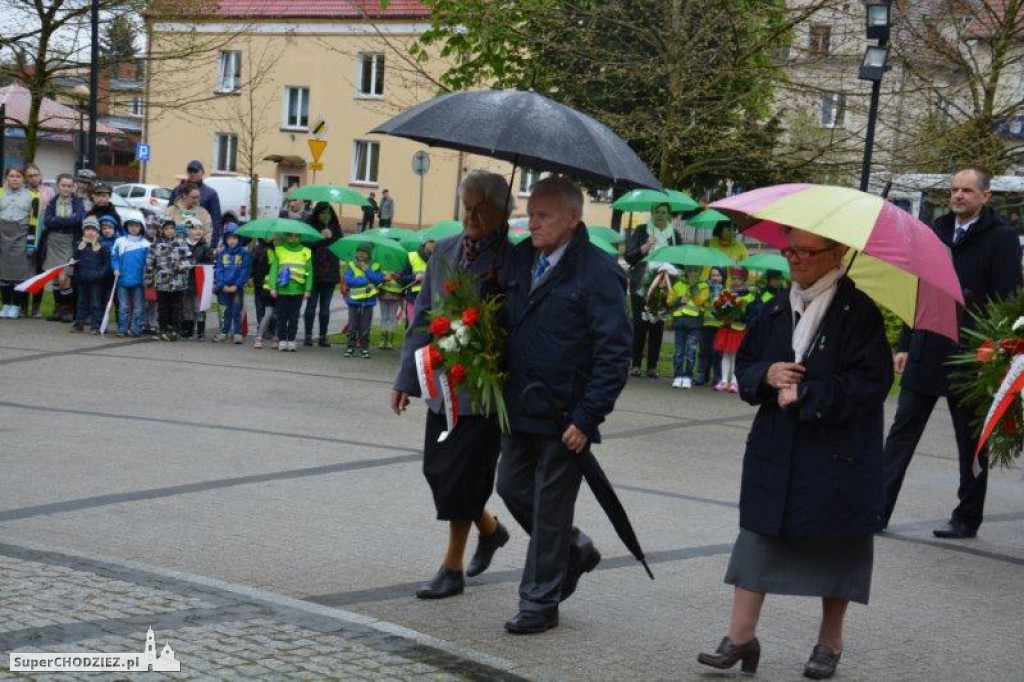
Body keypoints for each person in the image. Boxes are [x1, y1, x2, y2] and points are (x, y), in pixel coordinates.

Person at [698, 227, 893, 679]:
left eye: (807, 251)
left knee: (838, 548)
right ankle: (740, 638)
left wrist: (808, 393)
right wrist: (767, 375)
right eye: (790, 250)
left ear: (838, 251)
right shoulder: (770, 308)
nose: (795, 259)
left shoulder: (858, 312)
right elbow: (745, 367)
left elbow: (872, 383)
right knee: (757, 540)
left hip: (836, 455)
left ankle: (829, 643)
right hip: (776, 449)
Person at [497, 176, 632, 634]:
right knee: (511, 487)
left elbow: (615, 352)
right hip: (519, 405)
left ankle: (539, 602)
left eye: (543, 216)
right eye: (530, 213)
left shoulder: (597, 271)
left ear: (574, 219)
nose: (531, 223)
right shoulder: (520, 258)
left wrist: (587, 416)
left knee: (551, 508)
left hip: (564, 415)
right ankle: (572, 550)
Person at [390, 169, 516, 601]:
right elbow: (423, 316)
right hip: (443, 385)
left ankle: (452, 567)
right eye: (468, 206)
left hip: (484, 390)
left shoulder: (513, 261)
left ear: (503, 212)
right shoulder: (444, 252)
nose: (473, 215)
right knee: (438, 470)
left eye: (483, 208)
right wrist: (405, 378)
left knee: (464, 475)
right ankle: (491, 530)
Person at [883, 167, 1023, 539]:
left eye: (967, 190)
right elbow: (918, 289)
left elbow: (1008, 300)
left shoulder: (1002, 238)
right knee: (900, 433)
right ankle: (876, 510)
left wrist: (995, 355)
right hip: (927, 348)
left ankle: (966, 517)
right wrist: (905, 343)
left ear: (985, 196)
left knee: (971, 444)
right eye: (954, 190)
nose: (958, 195)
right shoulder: (936, 230)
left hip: (971, 357)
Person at [624, 202, 684, 377]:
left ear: (669, 215)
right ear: (652, 213)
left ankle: (652, 366)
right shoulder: (642, 230)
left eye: (663, 212)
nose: (659, 215)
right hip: (642, 284)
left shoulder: (675, 235)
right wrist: (645, 246)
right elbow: (629, 257)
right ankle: (635, 364)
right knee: (640, 325)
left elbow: (680, 262)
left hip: (664, 285)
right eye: (656, 211)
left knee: (657, 325)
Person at [42, 173, 85, 324]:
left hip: (69, 240)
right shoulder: (52, 202)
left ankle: (68, 308)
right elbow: (47, 221)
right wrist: (66, 220)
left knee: (64, 277)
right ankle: (58, 307)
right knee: (54, 276)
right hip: (54, 240)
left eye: (69, 186)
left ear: (73, 187)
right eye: (63, 185)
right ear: (58, 186)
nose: (66, 188)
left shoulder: (78, 202)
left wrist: (59, 221)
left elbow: (78, 219)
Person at [0, 165, 40, 319]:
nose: (15, 179)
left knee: (18, 274)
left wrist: (31, 243)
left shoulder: (33, 197)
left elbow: (34, 222)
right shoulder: (0, 193)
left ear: (23, 179)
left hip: (21, 236)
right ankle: (5, 305)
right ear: (6, 178)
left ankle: (16, 306)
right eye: (11, 176)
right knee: (4, 273)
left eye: (18, 176)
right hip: (3, 236)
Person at [146, 218, 194, 341]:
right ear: (162, 230)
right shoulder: (155, 245)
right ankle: (163, 329)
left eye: (171, 228)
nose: (169, 231)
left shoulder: (182, 244)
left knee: (176, 307)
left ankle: (175, 330)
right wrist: (148, 280)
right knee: (163, 307)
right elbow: (149, 264)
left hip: (178, 282)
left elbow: (192, 260)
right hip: (162, 282)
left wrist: (184, 264)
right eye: (166, 229)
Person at [266, 232, 313, 352]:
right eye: (291, 236)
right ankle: (282, 340)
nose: (293, 238)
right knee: (281, 316)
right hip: (282, 290)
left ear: (300, 237)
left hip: (298, 291)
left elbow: (309, 272)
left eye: (297, 236)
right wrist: (272, 287)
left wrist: (308, 289)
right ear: (286, 237)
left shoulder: (306, 251)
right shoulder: (279, 250)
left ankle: (291, 340)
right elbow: (274, 270)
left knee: (294, 317)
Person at [303, 202, 341, 347]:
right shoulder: (310, 228)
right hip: (313, 272)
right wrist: (319, 237)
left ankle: (323, 336)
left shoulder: (335, 228)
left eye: (328, 213)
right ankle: (308, 335)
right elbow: (306, 246)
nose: (326, 216)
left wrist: (331, 237)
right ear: (317, 214)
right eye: (322, 213)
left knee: (325, 308)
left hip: (330, 274)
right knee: (311, 306)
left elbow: (340, 248)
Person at [668, 266, 709, 389]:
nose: (693, 273)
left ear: (700, 272)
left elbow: (701, 301)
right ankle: (678, 375)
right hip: (680, 321)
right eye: (690, 270)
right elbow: (669, 301)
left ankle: (687, 376)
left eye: (696, 270)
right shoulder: (678, 284)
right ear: (686, 271)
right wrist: (680, 299)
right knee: (679, 351)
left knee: (691, 351)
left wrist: (693, 287)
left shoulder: (703, 286)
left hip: (694, 322)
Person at [713, 266, 751, 393]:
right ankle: (724, 380)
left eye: (739, 279)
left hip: (740, 329)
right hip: (728, 328)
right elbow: (720, 308)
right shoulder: (727, 292)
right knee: (725, 354)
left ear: (744, 279)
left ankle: (735, 381)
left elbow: (750, 312)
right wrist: (722, 311)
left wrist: (741, 313)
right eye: (733, 278)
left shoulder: (748, 294)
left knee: (735, 356)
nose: (735, 281)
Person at [111, 216, 151, 337]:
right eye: (131, 225)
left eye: (136, 226)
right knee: (123, 306)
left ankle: (136, 329)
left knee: (139, 307)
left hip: (139, 281)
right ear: (126, 226)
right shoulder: (120, 241)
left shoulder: (146, 244)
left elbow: (149, 262)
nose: (133, 228)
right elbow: (114, 257)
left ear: (142, 227)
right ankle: (122, 329)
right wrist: (116, 268)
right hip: (122, 280)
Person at [71, 217, 112, 334]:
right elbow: (75, 257)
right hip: (82, 278)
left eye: (93, 229)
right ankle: (79, 322)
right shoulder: (80, 244)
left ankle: (96, 325)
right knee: (81, 302)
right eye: (87, 229)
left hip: (96, 280)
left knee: (96, 303)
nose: (90, 232)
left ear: (97, 231)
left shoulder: (102, 245)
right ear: (83, 231)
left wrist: (100, 274)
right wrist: (72, 261)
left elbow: (107, 263)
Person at [168, 160, 223, 246]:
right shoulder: (177, 191)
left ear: (202, 172)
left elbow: (216, 220)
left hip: (199, 240)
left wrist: (213, 244)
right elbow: (168, 216)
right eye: (190, 171)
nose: (192, 173)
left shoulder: (211, 193)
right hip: (178, 239)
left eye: (195, 171)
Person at [342, 244, 383, 358]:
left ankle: (364, 348)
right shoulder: (351, 265)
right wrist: (365, 280)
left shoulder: (375, 265)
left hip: (368, 301)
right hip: (354, 300)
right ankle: (350, 347)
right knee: (352, 325)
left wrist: (367, 270)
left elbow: (378, 279)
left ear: (369, 254)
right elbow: (349, 280)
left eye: (364, 252)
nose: (360, 254)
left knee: (365, 326)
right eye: (358, 251)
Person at [213, 223, 251, 343]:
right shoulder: (222, 253)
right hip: (224, 288)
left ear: (239, 239)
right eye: (229, 238)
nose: (232, 241)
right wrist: (222, 284)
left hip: (237, 289)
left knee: (236, 310)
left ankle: (237, 333)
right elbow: (219, 269)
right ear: (225, 239)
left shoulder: (244, 254)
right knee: (225, 310)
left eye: (234, 238)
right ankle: (224, 332)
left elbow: (245, 271)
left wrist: (237, 285)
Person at [24, 163, 52, 318]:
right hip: (26, 235)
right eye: (30, 175)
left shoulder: (48, 192)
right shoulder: (23, 192)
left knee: (39, 272)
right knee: (23, 272)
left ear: (40, 175)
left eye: (36, 174)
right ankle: (21, 306)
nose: (33, 178)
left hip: (43, 237)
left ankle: (36, 307)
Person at [180, 218, 213, 340]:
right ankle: (188, 330)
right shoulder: (182, 245)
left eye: (200, 228)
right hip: (185, 281)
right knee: (186, 307)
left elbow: (209, 262)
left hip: (199, 282)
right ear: (188, 231)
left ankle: (200, 331)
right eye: (194, 228)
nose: (198, 231)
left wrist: (196, 264)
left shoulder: (205, 247)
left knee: (199, 306)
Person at [697, 266, 727, 387]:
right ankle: (701, 375)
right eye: (713, 275)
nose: (715, 278)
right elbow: (700, 302)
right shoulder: (706, 289)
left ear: (723, 278)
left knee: (717, 353)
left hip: (720, 326)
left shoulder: (725, 291)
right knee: (704, 351)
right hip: (706, 324)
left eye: (718, 275)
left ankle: (717, 377)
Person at [399, 239, 434, 326]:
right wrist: (415, 277)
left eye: (435, 243)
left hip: (430, 298)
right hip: (413, 298)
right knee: (412, 326)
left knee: (426, 327)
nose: (433, 245)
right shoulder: (412, 256)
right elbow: (402, 278)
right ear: (424, 243)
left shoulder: (438, 257)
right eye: (431, 242)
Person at [249, 237, 276, 348]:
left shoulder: (274, 250)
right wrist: (251, 276)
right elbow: (252, 265)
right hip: (260, 283)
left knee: (267, 308)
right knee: (262, 308)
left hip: (269, 282)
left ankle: (268, 329)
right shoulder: (257, 250)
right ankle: (263, 329)